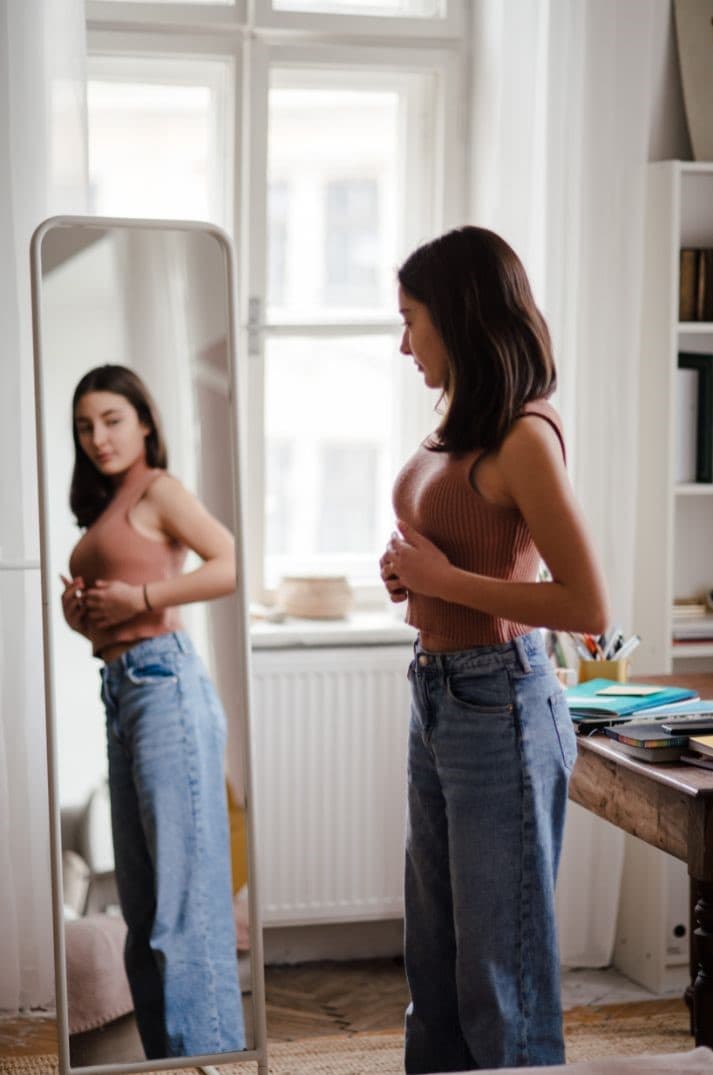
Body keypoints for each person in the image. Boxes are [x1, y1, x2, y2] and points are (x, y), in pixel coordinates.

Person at [380, 226, 610, 1072]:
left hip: (498, 705)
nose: (403, 343)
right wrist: (414, 576)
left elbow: (584, 603)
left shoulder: (524, 437)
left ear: (461, 315)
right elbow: (463, 553)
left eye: (412, 320)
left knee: (496, 975)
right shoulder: (460, 422)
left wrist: (444, 576)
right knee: (434, 963)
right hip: (438, 695)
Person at [60, 364, 245, 1060]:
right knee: (142, 915)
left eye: (110, 419)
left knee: (181, 913)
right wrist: (85, 616)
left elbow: (231, 561)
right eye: (85, 425)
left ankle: (213, 1058)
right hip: (123, 688)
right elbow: (118, 609)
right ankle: (172, 1058)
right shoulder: (109, 501)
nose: (97, 436)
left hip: (164, 685)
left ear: (144, 421)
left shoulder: (159, 487)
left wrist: (136, 601)